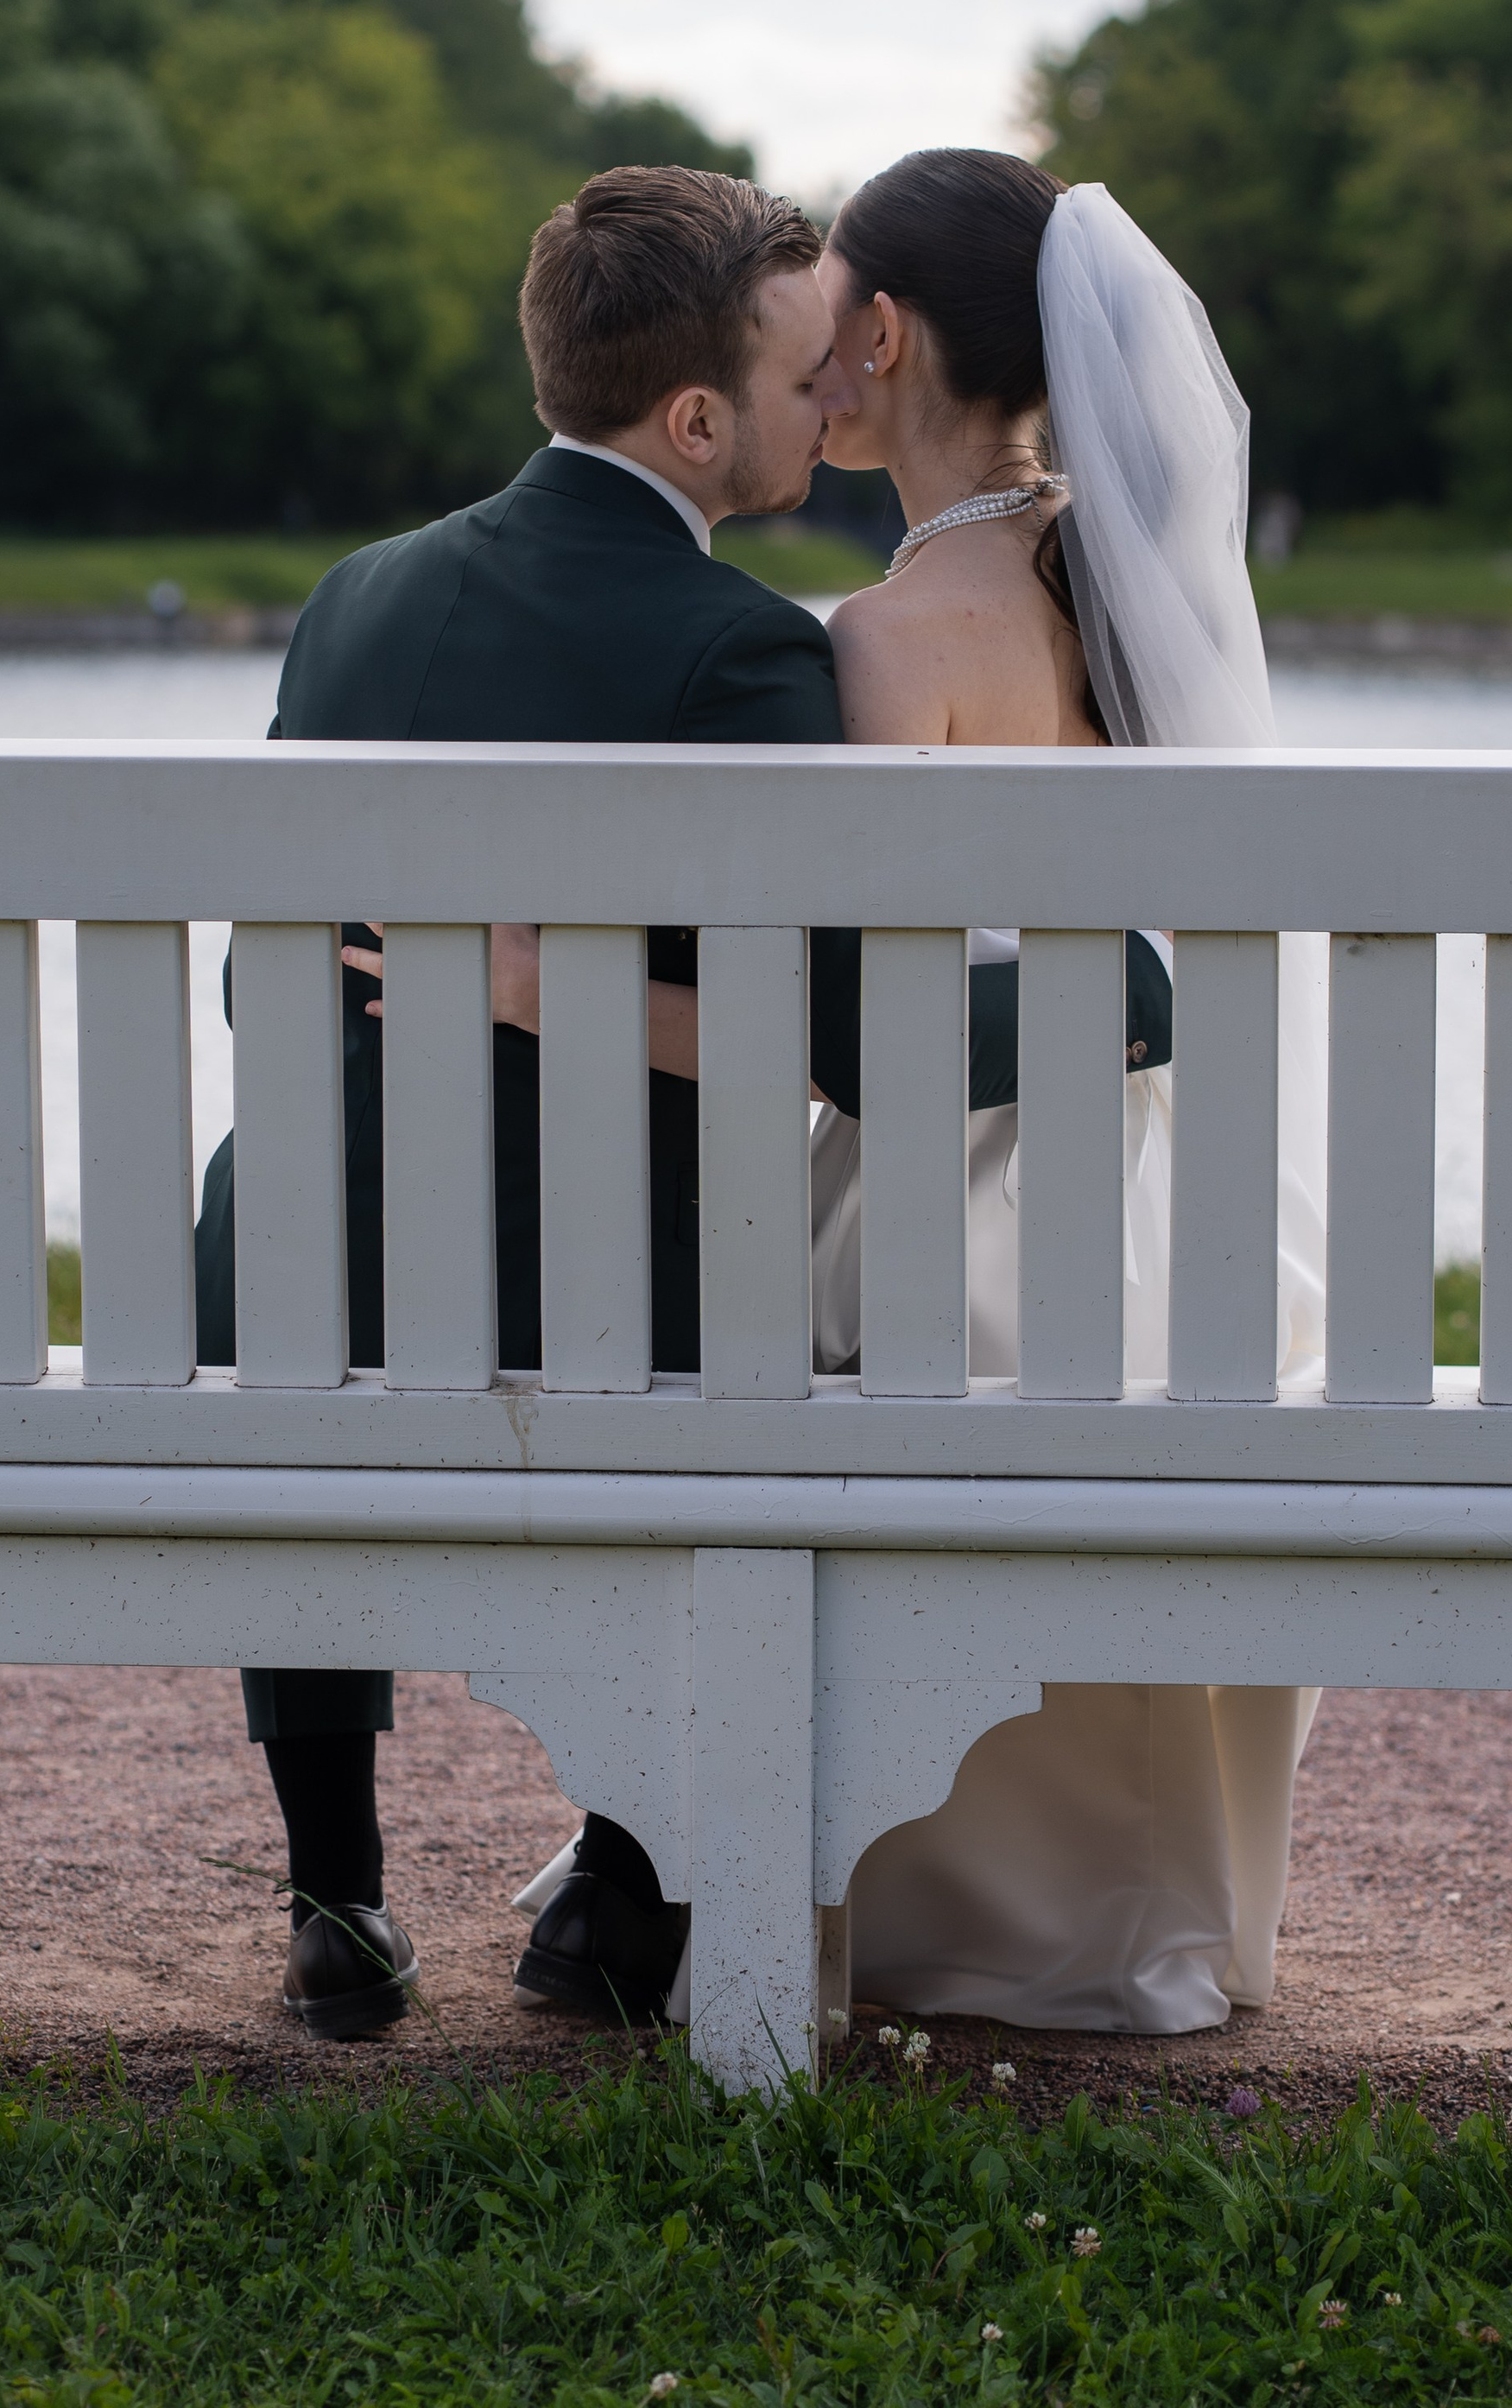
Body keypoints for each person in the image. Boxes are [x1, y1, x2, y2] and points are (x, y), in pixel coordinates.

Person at [193, 164, 1161, 2041]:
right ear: (699, 417)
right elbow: (841, 1039)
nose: (833, 401)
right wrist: (1118, 989)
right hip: (594, 1290)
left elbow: (267, 973)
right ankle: (632, 1884)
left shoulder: (355, 597)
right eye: (805, 375)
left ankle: (340, 1889)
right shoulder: (742, 653)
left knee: (319, 1245)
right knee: (770, 1288)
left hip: (282, 1259)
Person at [807, 146, 1325, 2035]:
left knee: (846, 1305)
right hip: (1166, 1210)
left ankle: (942, 1912)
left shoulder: (886, 637)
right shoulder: (1111, 585)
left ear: (877, 335)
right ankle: (1143, 1914)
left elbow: (860, 1012)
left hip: (970, 1204)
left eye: (823, 327)